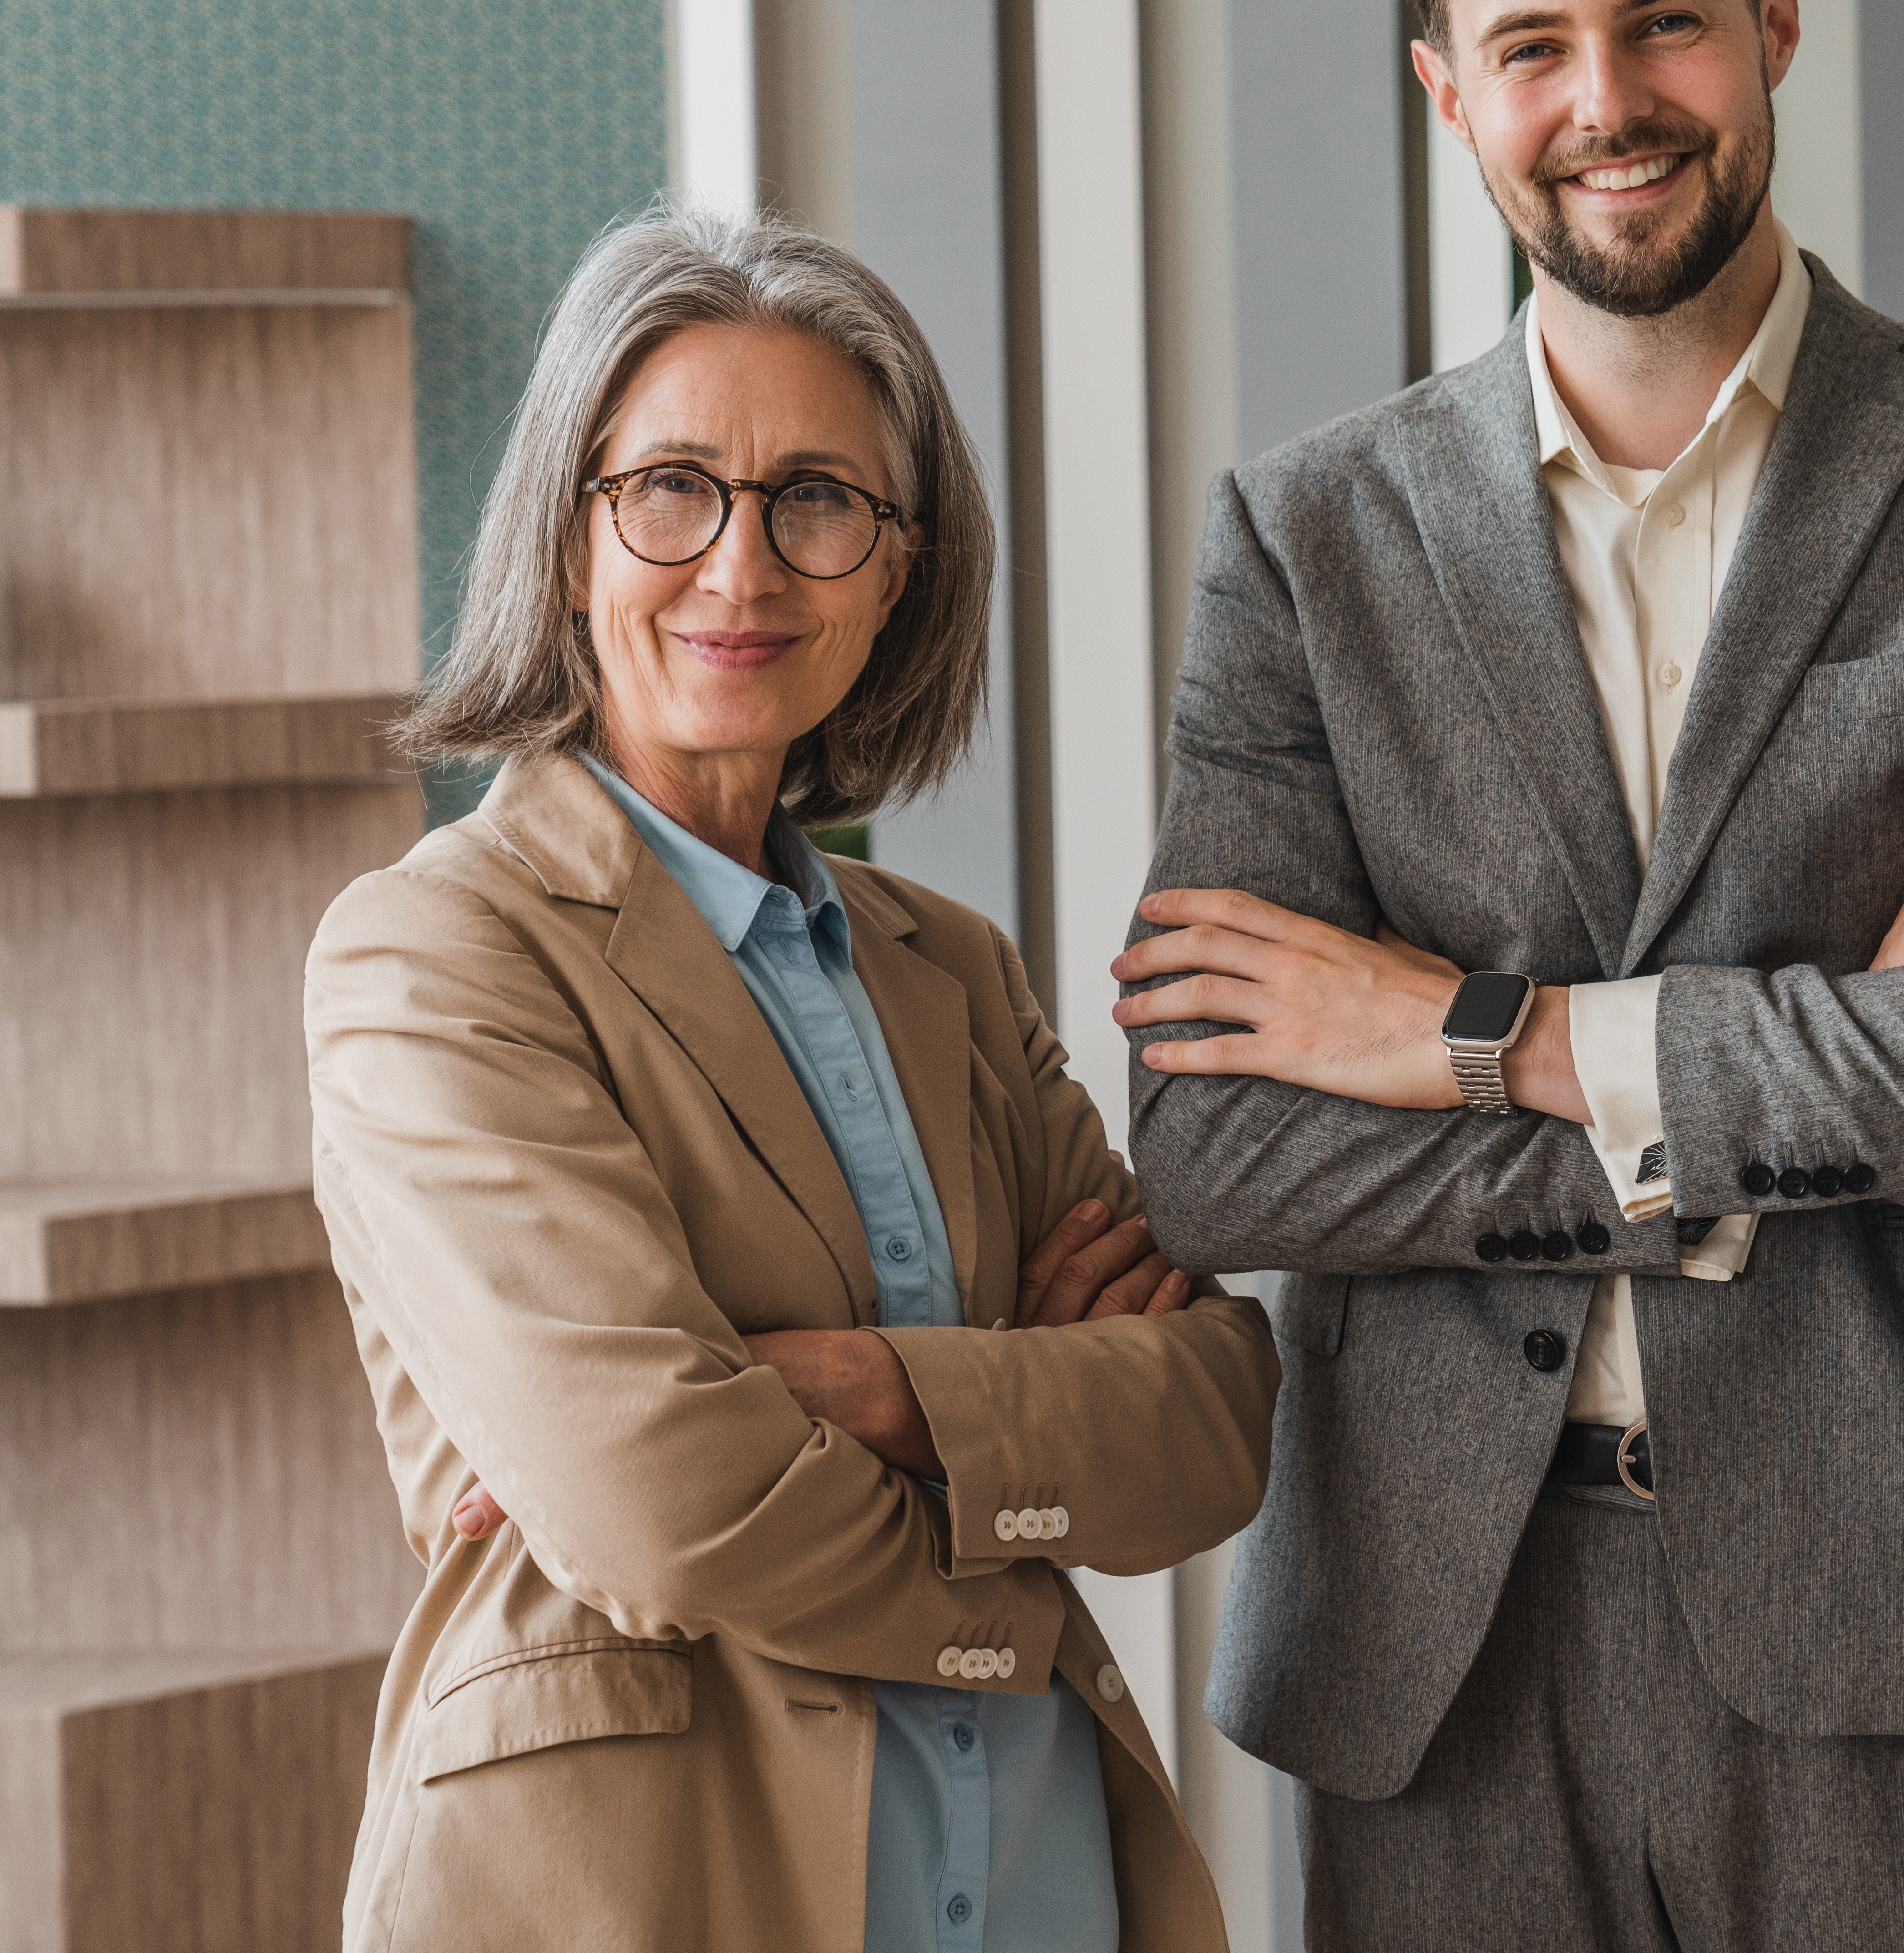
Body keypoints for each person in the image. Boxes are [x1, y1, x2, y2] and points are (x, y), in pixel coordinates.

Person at [1104, 0, 1904, 1949]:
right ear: (1447, 91)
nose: (1608, 101)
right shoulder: (1305, 542)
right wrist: (1847, 1042)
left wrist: (1487, 1039)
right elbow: (1221, 1152)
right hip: (1444, 1650)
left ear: (1774, 20)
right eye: (1532, 46)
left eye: (1666, 22)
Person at [304, 207, 1278, 1953]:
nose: (742, 568)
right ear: (571, 538)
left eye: (817, 500)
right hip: (646, 1884)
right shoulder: (436, 952)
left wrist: (867, 1386)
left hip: (1042, 1880)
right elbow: (659, 1498)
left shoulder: (953, 969)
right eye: (671, 489)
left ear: (895, 572)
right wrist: (1012, 1499)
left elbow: (1212, 1414)